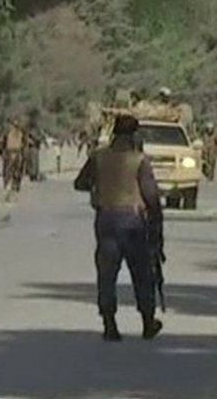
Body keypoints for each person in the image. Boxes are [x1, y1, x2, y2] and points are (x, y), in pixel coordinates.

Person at [74, 115, 164, 342]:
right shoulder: (139, 160)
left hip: (106, 219)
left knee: (107, 273)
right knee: (142, 272)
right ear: (134, 135)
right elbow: (151, 197)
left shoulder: (99, 157)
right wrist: (157, 230)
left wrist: (99, 187)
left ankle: (109, 324)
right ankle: (147, 322)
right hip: (133, 221)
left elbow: (80, 182)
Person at [3, 115, 26, 201]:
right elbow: (2, 143)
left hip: (16, 153)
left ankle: (14, 191)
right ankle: (8, 191)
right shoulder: (8, 133)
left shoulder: (20, 133)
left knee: (16, 174)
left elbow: (24, 144)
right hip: (10, 153)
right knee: (9, 173)